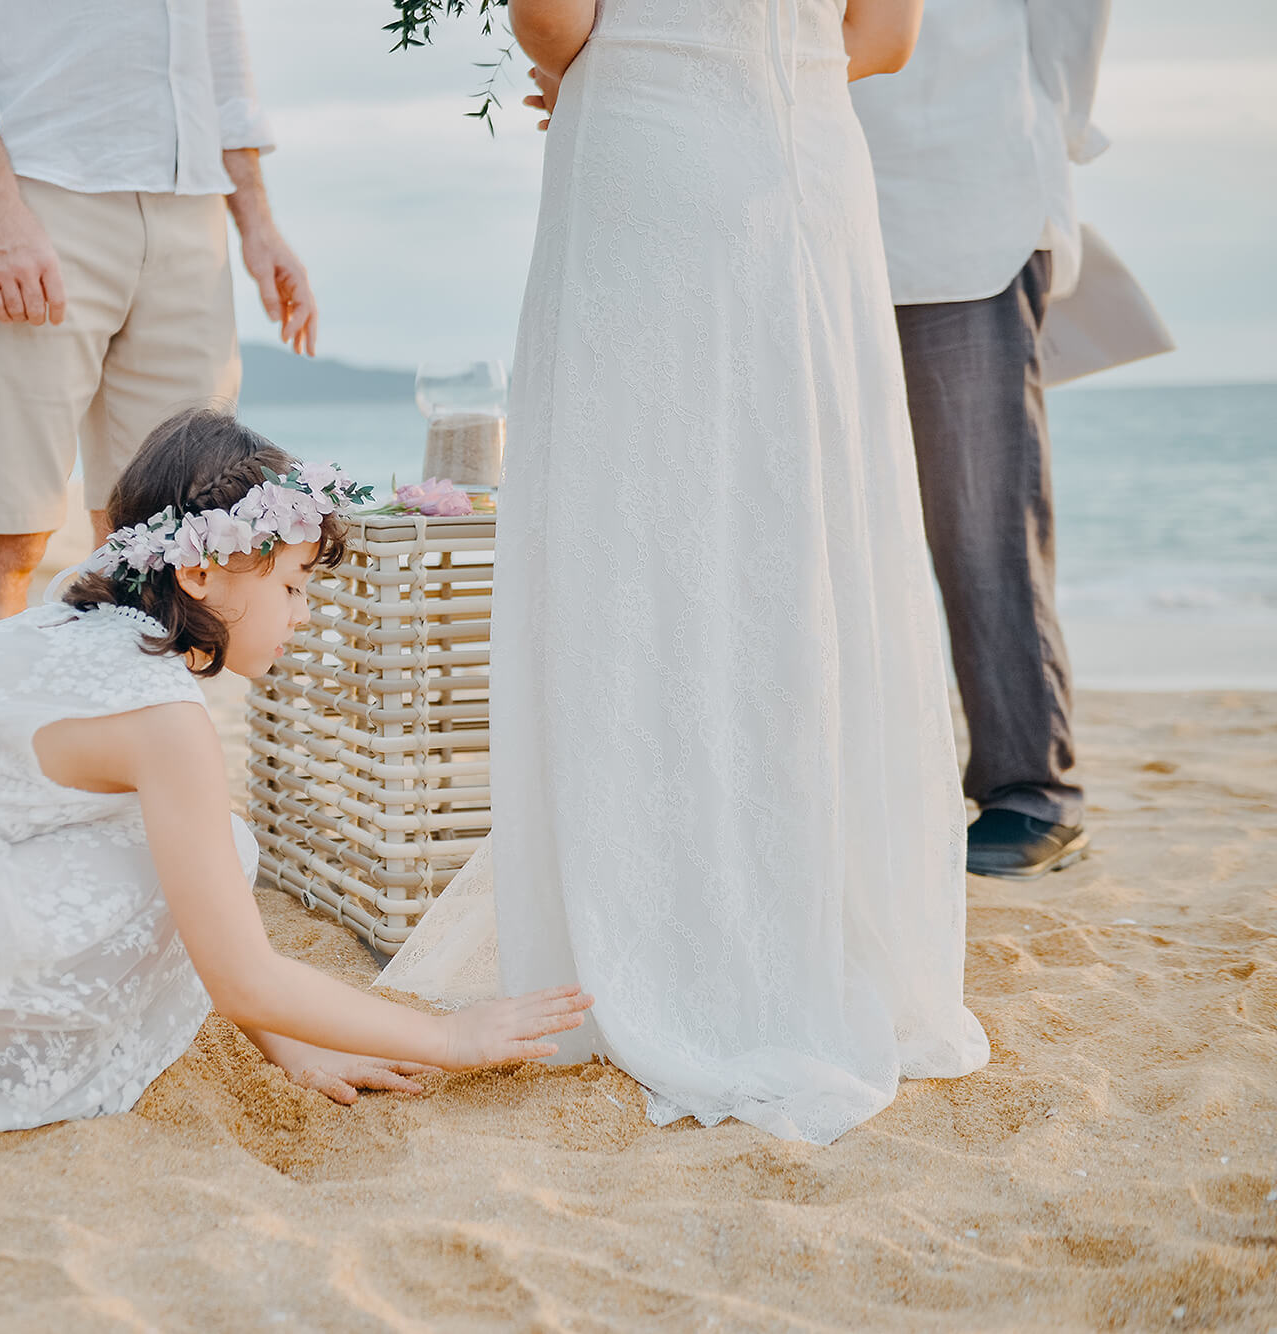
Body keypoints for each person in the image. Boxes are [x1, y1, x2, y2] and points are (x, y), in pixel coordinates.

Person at [380, 0, 991, 1144]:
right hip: (807, 161)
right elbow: (889, 37)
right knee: (796, 532)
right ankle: (813, 929)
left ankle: (665, 929)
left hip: (653, 154)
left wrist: (595, 66)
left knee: (648, 542)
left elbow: (550, 16)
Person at [0, 410, 590, 1150]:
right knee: (217, 846)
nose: (303, 614)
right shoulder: (166, 725)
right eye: (290, 585)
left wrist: (291, 1043)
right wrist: (449, 1035)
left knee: (197, 847)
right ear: (200, 569)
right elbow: (242, 974)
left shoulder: (91, 611)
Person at [0, 0, 321, 644]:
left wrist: (257, 222)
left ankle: (133, 745)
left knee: (172, 547)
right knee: (3, 535)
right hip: (33, 178)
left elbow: (218, 36)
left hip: (191, 202)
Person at [849, 0, 1114, 880]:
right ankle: (863, 779)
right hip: (809, 195)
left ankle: (1030, 789)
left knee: (979, 519)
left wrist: (1048, 134)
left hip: (966, 188)